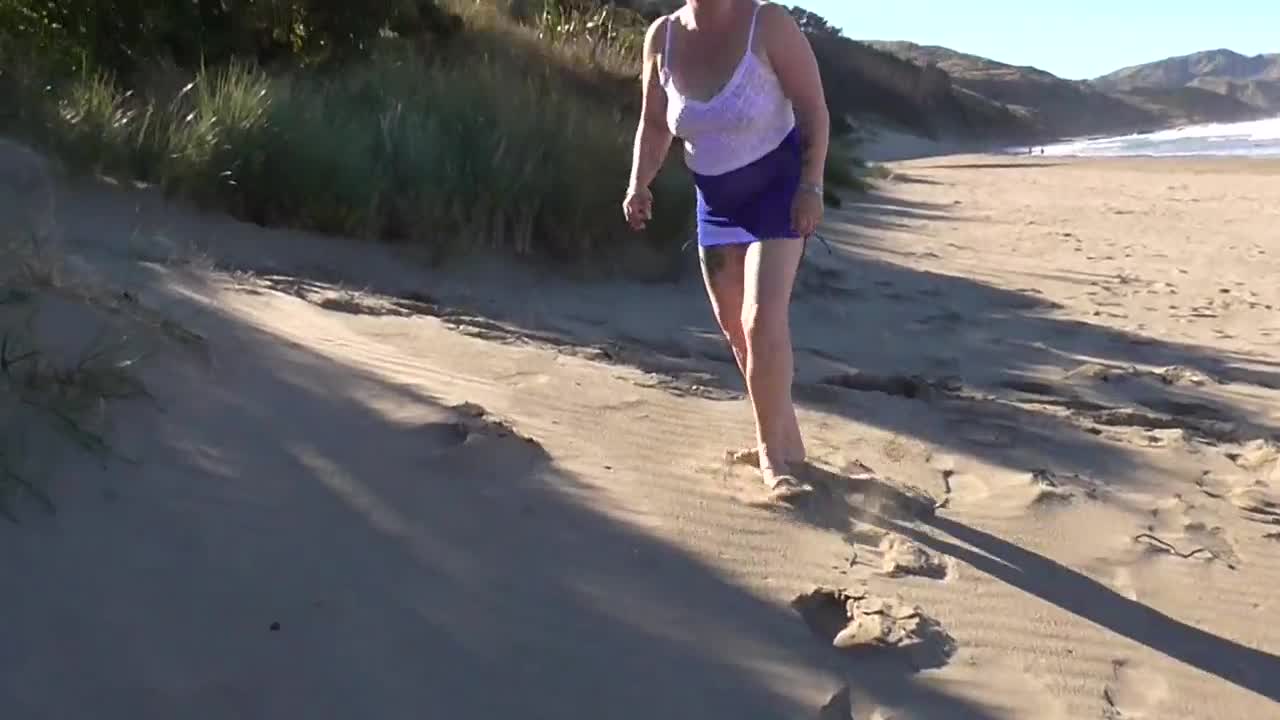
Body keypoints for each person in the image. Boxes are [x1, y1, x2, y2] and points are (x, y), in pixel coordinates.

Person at [622, 0, 830, 496]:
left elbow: (812, 108)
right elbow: (655, 124)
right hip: (715, 206)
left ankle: (771, 457)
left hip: (779, 196)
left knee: (761, 320)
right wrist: (638, 183)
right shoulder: (662, 37)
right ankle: (788, 443)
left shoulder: (768, 23)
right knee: (737, 331)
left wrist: (812, 186)